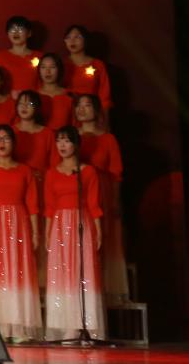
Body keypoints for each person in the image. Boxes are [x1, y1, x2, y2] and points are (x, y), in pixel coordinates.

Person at [0, 125, 41, 341]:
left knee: (18, 270)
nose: (1, 143)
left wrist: (35, 233)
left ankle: (19, 326)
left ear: (14, 143)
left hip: (18, 224)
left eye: (6, 139)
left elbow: (32, 205)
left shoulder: (25, 171)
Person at [43, 126, 106, 340]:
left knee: (82, 271)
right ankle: (66, 326)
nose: (62, 145)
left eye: (67, 140)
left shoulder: (87, 172)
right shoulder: (51, 173)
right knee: (62, 273)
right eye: (59, 140)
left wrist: (98, 230)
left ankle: (85, 324)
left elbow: (94, 204)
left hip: (81, 222)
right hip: (60, 226)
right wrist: (47, 232)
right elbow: (49, 207)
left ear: (76, 144)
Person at [74, 94, 128, 304]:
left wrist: (114, 200)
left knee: (102, 238)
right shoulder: (71, 137)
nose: (82, 109)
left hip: (102, 192)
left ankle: (104, 288)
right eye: (78, 106)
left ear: (97, 111)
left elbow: (116, 173)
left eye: (87, 105)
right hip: (78, 192)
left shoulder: (107, 139)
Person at [62, 25, 112, 109]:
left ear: (86, 40)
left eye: (77, 37)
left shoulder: (98, 65)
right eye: (68, 37)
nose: (72, 41)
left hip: (90, 111)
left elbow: (105, 96)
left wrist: (104, 115)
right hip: (66, 110)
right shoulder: (60, 65)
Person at [0, 16, 42, 96]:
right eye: (12, 29)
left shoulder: (39, 56)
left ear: (29, 33)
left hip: (33, 100)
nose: (16, 32)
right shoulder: (0, 57)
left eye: (20, 29)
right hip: (7, 100)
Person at [8, 91, 52, 175]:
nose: (24, 107)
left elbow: (54, 163)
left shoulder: (48, 134)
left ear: (37, 107)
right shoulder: (10, 132)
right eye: (21, 103)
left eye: (29, 103)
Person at [35, 53, 74, 131]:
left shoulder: (70, 96)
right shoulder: (33, 96)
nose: (47, 71)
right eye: (43, 67)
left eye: (52, 67)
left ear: (59, 69)